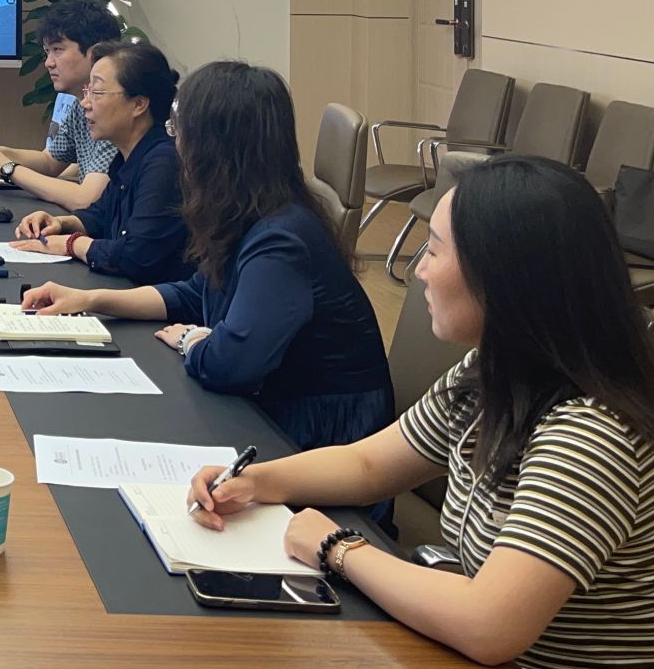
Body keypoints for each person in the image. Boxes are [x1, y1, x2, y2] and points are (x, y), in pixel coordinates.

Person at [186, 157, 654, 669]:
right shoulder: (493, 371)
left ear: (504, 278)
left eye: (436, 250)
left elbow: (489, 625)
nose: (419, 269)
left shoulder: (591, 435)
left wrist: (337, 547)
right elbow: (368, 464)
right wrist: (256, 481)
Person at [20, 62, 392, 462]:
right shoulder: (251, 212)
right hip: (278, 414)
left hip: (318, 440)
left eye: (180, 131)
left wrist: (192, 340)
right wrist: (90, 300)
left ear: (215, 145)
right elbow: (196, 293)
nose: (177, 145)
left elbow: (230, 364)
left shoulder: (280, 241)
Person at [10, 41, 191, 285]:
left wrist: (72, 244)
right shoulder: (130, 156)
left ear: (138, 104)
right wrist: (61, 223)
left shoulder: (164, 163)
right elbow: (100, 215)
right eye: (87, 92)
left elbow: (136, 256)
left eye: (97, 93)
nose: (85, 103)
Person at [0, 0, 122, 211]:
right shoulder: (80, 104)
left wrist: (7, 168)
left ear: (95, 53)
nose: (48, 63)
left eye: (58, 50)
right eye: (47, 52)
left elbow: (87, 200)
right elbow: (50, 162)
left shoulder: (115, 109)